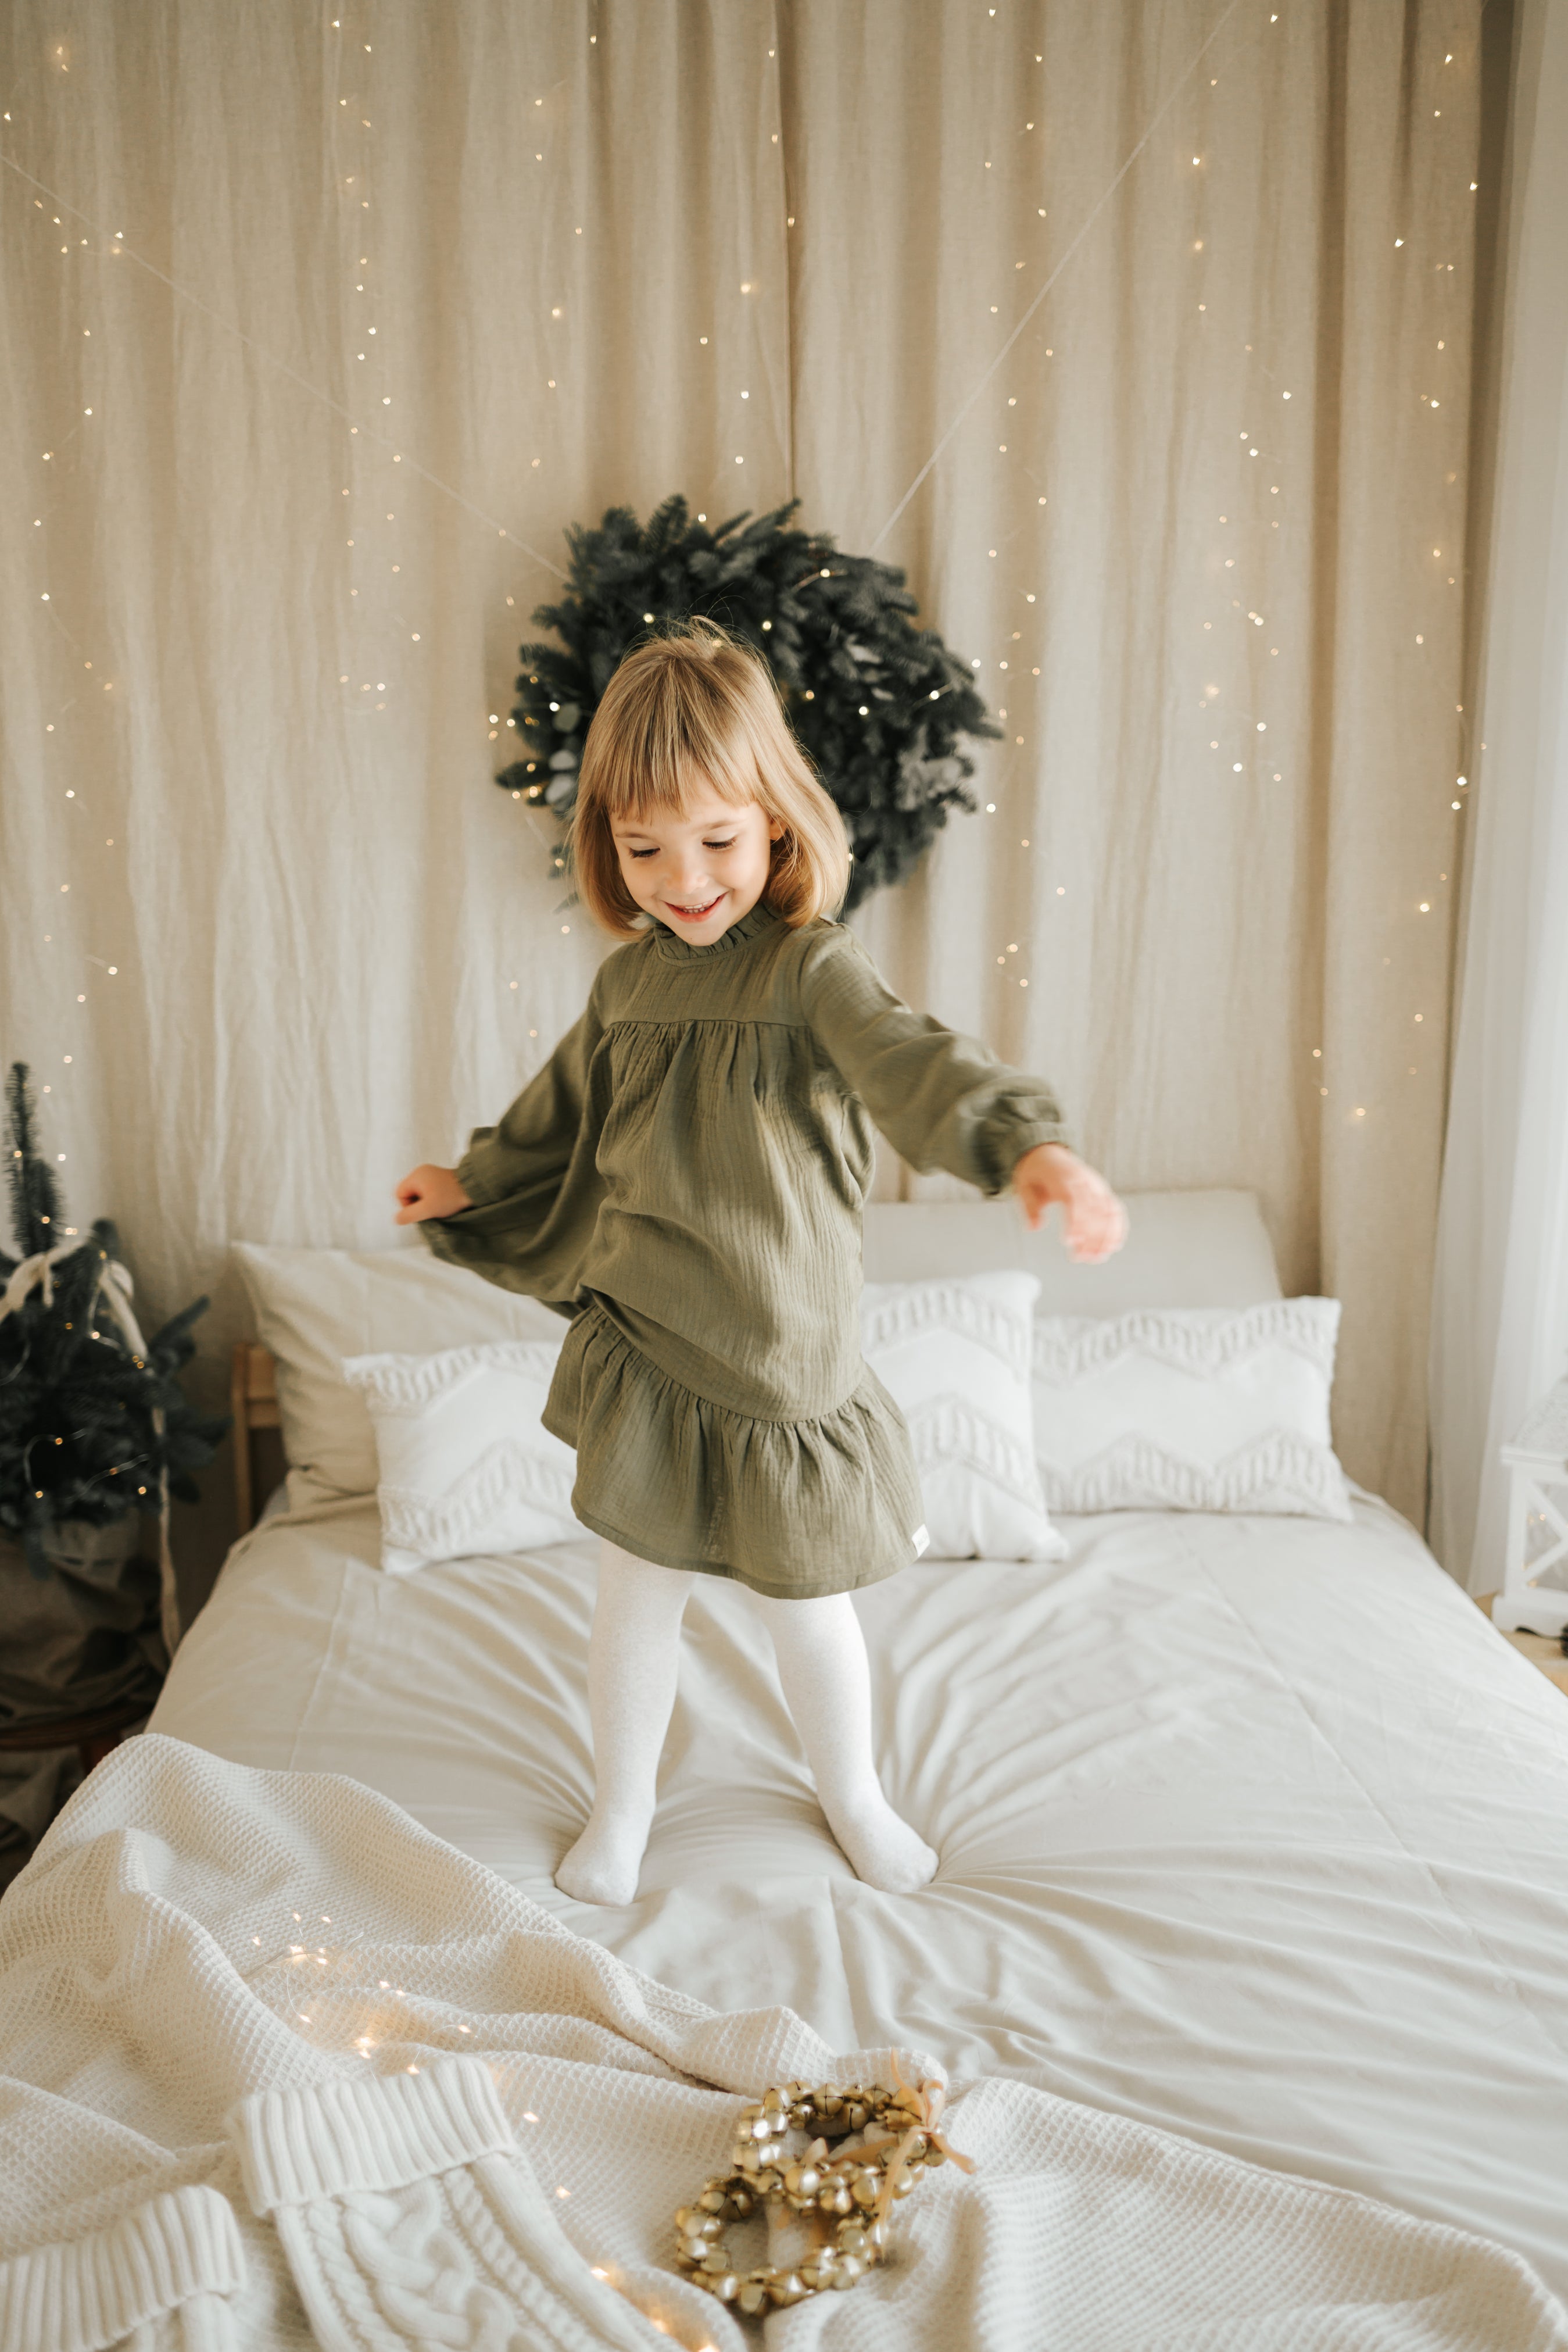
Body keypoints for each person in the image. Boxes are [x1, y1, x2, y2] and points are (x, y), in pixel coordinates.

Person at [395, 618, 1126, 1905]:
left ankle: (851, 1792)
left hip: (782, 1362)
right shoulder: (625, 992)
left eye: (716, 840)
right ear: (606, 850)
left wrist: (1026, 1149)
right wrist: (472, 1183)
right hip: (652, 1340)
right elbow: (555, 1118)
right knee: (637, 1597)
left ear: (776, 825)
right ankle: (623, 1806)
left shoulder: (809, 972)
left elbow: (916, 1063)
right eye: (644, 848)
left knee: (807, 1608)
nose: (683, 878)